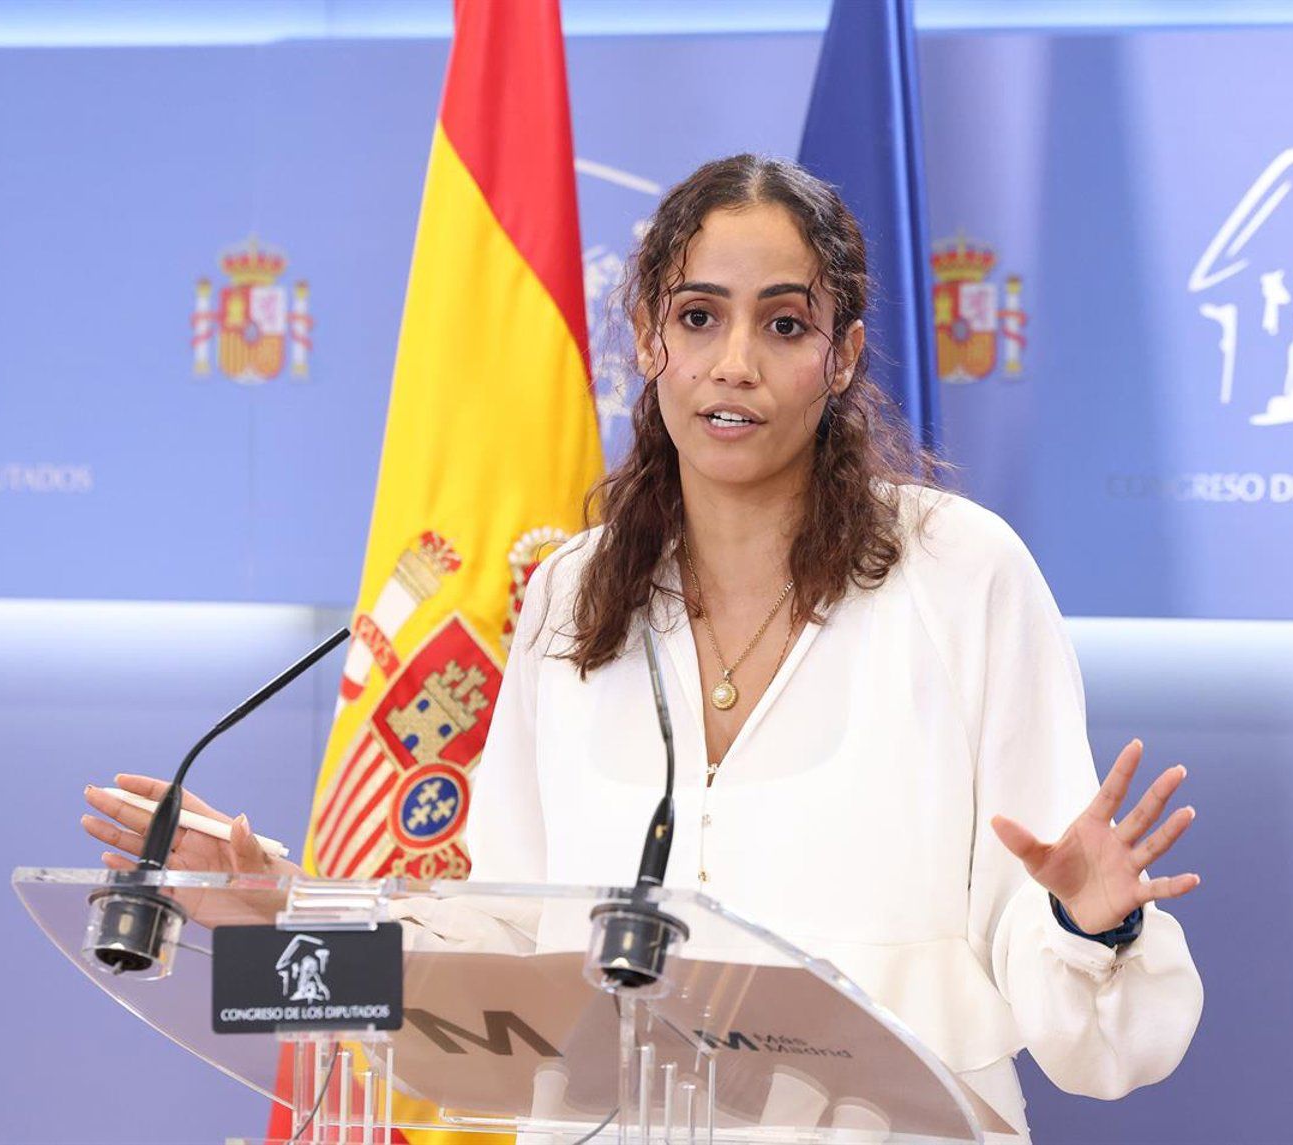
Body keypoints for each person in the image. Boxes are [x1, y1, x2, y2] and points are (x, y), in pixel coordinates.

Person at [83, 153, 1203, 1139]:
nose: (734, 364)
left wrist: (1087, 923)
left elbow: (1088, 1030)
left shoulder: (961, 575)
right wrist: (289, 910)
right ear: (648, 339)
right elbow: (510, 945)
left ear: (844, 354)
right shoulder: (573, 597)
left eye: (784, 324)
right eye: (699, 317)